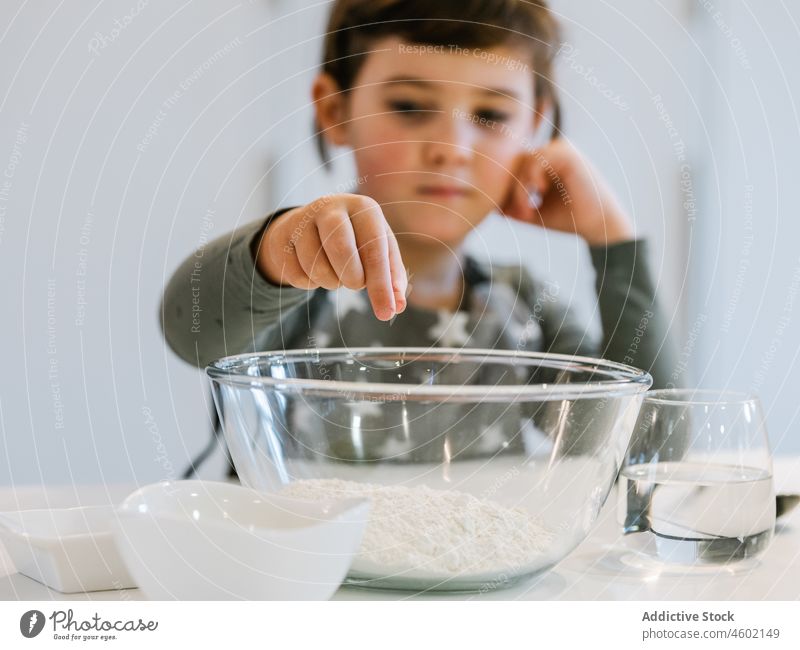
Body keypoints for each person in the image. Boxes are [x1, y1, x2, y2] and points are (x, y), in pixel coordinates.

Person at [160, 0, 677, 456]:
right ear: (335, 110)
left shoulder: (521, 309)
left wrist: (614, 243)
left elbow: (650, 446)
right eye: (409, 106)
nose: (451, 146)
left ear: (536, 123)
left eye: (492, 112)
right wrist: (278, 250)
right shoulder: (298, 292)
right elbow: (191, 330)